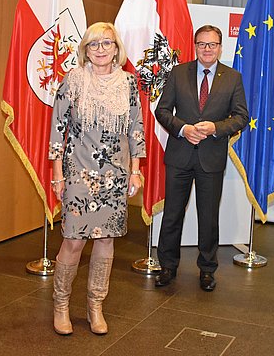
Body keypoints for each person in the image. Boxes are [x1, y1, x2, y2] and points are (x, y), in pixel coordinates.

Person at [48, 22, 146, 335]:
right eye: (94, 44)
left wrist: (135, 169)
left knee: (105, 239)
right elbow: (57, 131)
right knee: (74, 239)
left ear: (117, 48)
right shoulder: (73, 80)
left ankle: (95, 305)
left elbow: (135, 128)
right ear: (85, 49)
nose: (101, 49)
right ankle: (61, 304)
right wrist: (56, 175)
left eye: (107, 43)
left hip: (114, 175)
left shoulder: (128, 82)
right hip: (77, 172)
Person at [154, 24, 249, 291]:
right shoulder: (178, 73)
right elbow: (162, 111)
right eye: (201, 44)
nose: (207, 49)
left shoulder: (233, 77)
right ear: (194, 46)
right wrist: (183, 129)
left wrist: (215, 129)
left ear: (220, 47)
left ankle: (207, 269)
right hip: (179, 155)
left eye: (212, 44)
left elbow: (242, 116)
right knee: (172, 214)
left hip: (211, 157)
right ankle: (167, 266)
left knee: (208, 217)